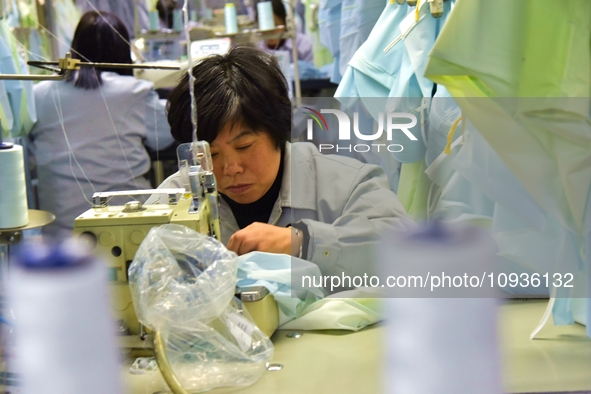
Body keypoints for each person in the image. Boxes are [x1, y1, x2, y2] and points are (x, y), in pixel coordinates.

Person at [149, 45, 412, 279]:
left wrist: (304, 242)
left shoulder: (347, 184)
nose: (231, 168)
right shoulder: (175, 200)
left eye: (244, 146)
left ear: (277, 130)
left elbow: (406, 250)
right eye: (211, 155)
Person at [28, 11, 174, 236]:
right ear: (122, 52)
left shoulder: (39, 94)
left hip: (62, 235)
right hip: (130, 230)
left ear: (74, 47)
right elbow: (168, 132)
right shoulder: (133, 92)